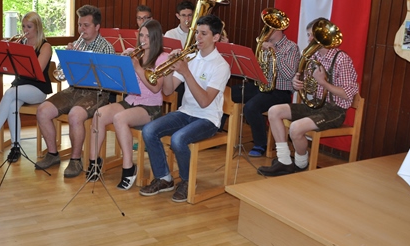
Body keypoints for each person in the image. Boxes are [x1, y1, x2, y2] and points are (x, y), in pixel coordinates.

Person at [139, 14, 231, 203]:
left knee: (178, 139)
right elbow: (168, 90)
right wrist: (170, 69)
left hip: (208, 118)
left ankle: (188, 181)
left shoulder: (221, 66)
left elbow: (205, 101)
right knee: (149, 130)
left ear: (216, 38)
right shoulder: (190, 57)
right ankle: (164, 178)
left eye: (204, 34)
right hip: (186, 112)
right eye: (197, 33)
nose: (198, 37)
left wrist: (186, 72)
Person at [258, 18, 359, 177]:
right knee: (274, 111)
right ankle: (284, 160)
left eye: (313, 36)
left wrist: (323, 83)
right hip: (315, 105)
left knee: (296, 128)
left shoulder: (341, 59)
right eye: (309, 35)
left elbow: (348, 94)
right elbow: (304, 83)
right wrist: (297, 83)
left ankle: (300, 164)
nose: (310, 39)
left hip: (334, 110)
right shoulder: (314, 57)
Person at [87, 19, 169, 189]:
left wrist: (137, 68)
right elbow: (119, 81)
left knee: (120, 119)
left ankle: (128, 167)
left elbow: (155, 88)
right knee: (98, 114)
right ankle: (94, 163)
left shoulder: (162, 58)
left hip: (150, 107)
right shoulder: (134, 53)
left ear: (156, 38)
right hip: (131, 100)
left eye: (148, 36)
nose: (144, 39)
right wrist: (121, 65)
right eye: (141, 35)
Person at [35, 4, 115, 177]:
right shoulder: (78, 43)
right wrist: (68, 59)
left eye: (86, 25)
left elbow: (107, 80)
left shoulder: (106, 47)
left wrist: (81, 59)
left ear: (97, 27)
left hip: (97, 93)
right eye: (80, 25)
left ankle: (75, 160)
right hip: (74, 90)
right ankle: (53, 153)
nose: (81, 29)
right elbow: (61, 75)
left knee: (75, 115)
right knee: (42, 110)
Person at [0, 12, 53, 162]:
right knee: (12, 105)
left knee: (11, 93)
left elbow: (37, 71)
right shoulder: (21, 44)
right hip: (21, 87)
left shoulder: (45, 46)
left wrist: (23, 54)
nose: (25, 30)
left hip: (38, 88)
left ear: (37, 27)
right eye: (24, 26)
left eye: (29, 27)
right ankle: (15, 146)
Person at [231, 18, 300, 157]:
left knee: (251, 107)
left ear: (279, 28)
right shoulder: (264, 45)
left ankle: (260, 143)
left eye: (270, 27)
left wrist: (275, 53)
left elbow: (289, 75)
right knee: (228, 93)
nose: (266, 30)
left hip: (280, 91)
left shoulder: (291, 47)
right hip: (262, 87)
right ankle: (216, 130)